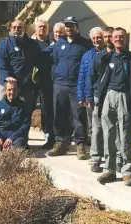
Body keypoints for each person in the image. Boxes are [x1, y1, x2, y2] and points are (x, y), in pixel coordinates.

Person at [95, 27, 131, 186]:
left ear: (126, 38)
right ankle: (109, 169)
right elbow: (99, 78)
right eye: (115, 37)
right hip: (108, 96)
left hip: (124, 97)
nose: (118, 39)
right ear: (111, 39)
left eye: (121, 37)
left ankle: (127, 171)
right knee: (108, 134)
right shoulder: (106, 58)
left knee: (125, 135)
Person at [47, 16, 93, 159]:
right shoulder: (58, 44)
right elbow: (55, 63)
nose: (68, 28)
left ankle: (80, 145)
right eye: (66, 26)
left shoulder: (85, 44)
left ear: (76, 27)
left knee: (79, 116)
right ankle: (61, 143)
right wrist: (55, 79)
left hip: (76, 86)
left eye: (71, 25)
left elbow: (88, 64)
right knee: (59, 114)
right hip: (60, 85)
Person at [87, 27, 123, 173]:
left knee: (117, 129)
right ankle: (95, 158)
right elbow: (91, 77)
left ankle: (119, 159)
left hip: (115, 96)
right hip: (99, 96)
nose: (109, 39)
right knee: (98, 128)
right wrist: (90, 96)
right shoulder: (98, 57)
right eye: (106, 37)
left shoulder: (119, 56)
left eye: (110, 37)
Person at [0, 20, 42, 113]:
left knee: (24, 114)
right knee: (3, 113)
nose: (17, 29)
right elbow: (1, 64)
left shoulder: (33, 44)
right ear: (11, 29)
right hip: (7, 84)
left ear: (25, 28)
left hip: (25, 86)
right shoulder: (4, 44)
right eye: (14, 27)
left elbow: (39, 62)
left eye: (19, 27)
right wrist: (7, 78)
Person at [77, 26, 106, 167]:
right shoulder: (87, 55)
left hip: (106, 96)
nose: (96, 40)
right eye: (94, 38)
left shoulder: (109, 53)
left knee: (106, 126)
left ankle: (107, 154)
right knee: (93, 127)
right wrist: (81, 96)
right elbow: (82, 76)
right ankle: (95, 154)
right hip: (91, 95)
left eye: (99, 37)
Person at [0, 80, 30, 160]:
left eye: (14, 89)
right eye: (9, 89)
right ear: (5, 90)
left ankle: (8, 166)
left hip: (15, 139)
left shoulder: (24, 106)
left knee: (19, 146)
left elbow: (26, 125)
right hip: (0, 139)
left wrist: (12, 138)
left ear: (18, 90)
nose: (12, 92)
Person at [31, 19, 55, 149]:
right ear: (35, 28)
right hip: (31, 82)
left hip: (47, 81)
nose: (42, 28)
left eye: (44, 27)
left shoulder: (52, 43)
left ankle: (48, 135)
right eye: (40, 26)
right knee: (28, 107)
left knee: (46, 109)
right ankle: (21, 137)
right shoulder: (29, 43)